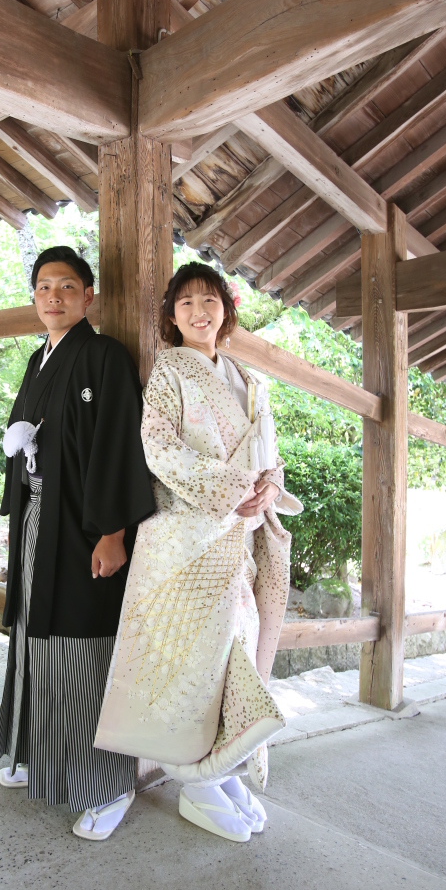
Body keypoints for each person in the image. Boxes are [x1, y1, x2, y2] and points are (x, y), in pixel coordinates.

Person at [96, 263, 302, 843]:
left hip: (237, 536)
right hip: (184, 535)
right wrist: (235, 490)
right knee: (188, 660)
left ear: (225, 311)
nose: (197, 312)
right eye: (184, 303)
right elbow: (158, 449)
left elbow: (267, 453)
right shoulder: (169, 372)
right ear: (170, 316)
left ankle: (218, 765)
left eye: (208, 300)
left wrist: (264, 487)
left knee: (231, 648)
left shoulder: (246, 378)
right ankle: (193, 777)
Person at [0, 246, 155, 841]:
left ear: (89, 297)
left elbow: (118, 446)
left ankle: (107, 785)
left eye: (66, 286)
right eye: (42, 287)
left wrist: (114, 531)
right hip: (40, 524)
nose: (53, 296)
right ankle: (37, 751)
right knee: (34, 640)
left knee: (84, 652)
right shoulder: (38, 361)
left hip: (86, 529)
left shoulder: (105, 357)